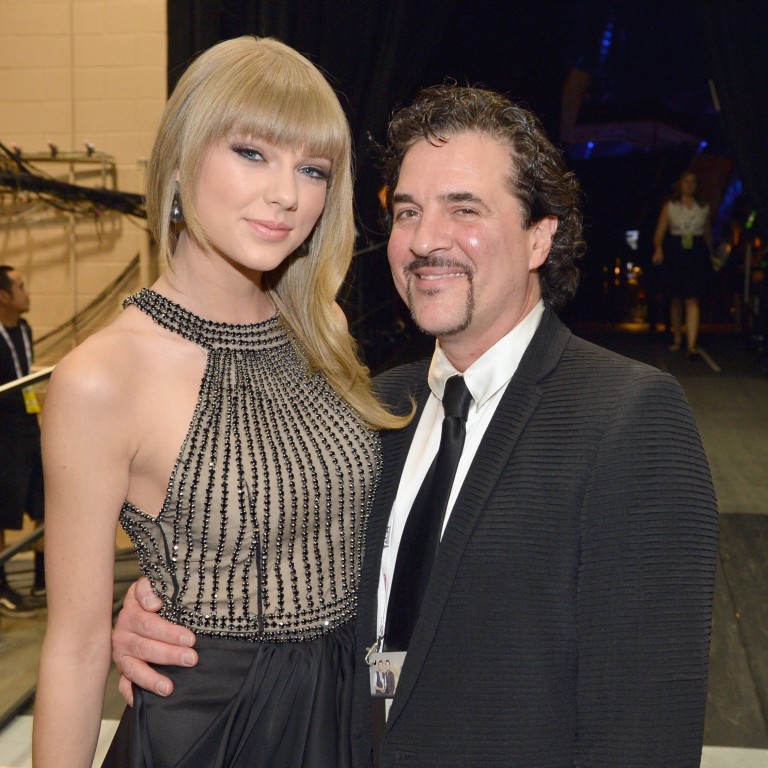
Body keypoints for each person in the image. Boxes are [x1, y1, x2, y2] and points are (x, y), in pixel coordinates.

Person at [112, 85, 719, 767]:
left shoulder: (627, 416)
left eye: (464, 209)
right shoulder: (370, 410)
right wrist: (168, 623)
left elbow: (644, 728)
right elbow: (325, 621)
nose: (426, 241)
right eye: (408, 211)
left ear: (538, 236)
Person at [33, 36, 408, 768]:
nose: (286, 194)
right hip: (215, 730)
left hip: (345, 707)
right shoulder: (102, 378)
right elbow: (75, 648)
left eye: (312, 169)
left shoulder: (321, 329)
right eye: (251, 153)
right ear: (180, 159)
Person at [0, 265, 46, 618]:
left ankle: (43, 580)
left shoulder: (25, 329)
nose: (27, 292)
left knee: (46, 507)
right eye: (20, 286)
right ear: (3, 296)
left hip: (30, 431)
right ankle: (1, 586)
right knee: (3, 514)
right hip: (4, 438)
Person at [652, 170, 713, 357]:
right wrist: (658, 248)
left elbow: (707, 233)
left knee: (693, 298)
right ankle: (678, 337)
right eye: (686, 181)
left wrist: (711, 255)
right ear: (680, 184)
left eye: (693, 182)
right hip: (676, 250)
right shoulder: (670, 206)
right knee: (676, 298)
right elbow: (660, 232)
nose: (689, 185)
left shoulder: (703, 207)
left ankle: (691, 344)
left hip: (696, 251)